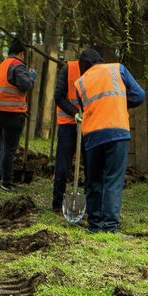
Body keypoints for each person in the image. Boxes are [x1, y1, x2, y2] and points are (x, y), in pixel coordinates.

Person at [70, 48, 146, 232]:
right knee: (113, 179)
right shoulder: (117, 69)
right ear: (100, 60)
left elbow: (84, 106)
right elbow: (139, 95)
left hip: (92, 135)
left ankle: (94, 224)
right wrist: (120, 103)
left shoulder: (79, 82)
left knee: (93, 180)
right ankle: (110, 226)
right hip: (116, 131)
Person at [0, 40, 37, 192]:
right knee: (8, 148)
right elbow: (25, 85)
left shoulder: (1, 66)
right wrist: (32, 77)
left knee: (4, 146)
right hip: (11, 114)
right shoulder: (17, 66)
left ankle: (2, 176)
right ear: (21, 54)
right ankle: (6, 182)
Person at [50, 49, 86, 214]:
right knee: (63, 166)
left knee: (90, 166)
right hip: (68, 123)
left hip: (88, 124)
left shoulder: (97, 72)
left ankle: (89, 205)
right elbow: (58, 96)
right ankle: (57, 204)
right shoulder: (68, 69)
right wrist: (74, 112)